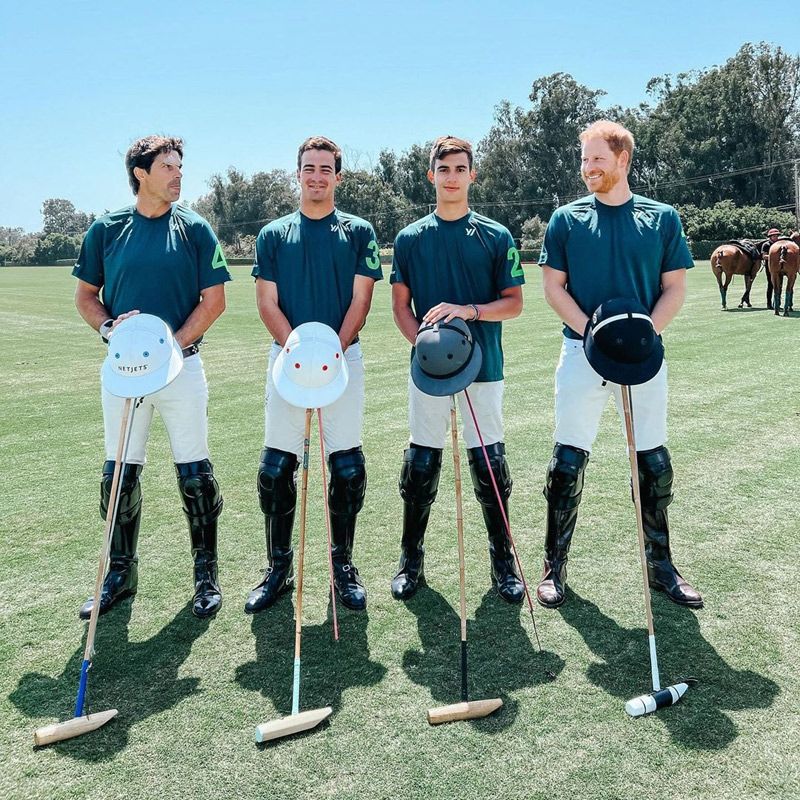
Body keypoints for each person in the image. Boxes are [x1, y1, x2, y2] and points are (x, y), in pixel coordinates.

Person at [536, 119, 703, 610]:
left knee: (653, 461)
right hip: (580, 354)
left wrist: (644, 334)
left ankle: (661, 567)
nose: (588, 168)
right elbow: (553, 288)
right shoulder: (565, 220)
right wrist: (595, 334)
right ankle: (553, 568)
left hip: (643, 357)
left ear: (623, 159)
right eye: (584, 160)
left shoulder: (662, 218)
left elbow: (674, 288)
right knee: (568, 459)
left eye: (597, 160)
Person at [73, 135, 231, 620]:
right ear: (141, 173)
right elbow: (86, 298)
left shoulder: (196, 229)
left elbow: (215, 302)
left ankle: (206, 574)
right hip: (123, 372)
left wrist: (173, 348)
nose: (178, 174)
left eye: (180, 166)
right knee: (119, 471)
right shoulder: (106, 230)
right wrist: (109, 329)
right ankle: (120, 573)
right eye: (167, 166)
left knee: (195, 471)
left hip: (183, 368)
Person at [246, 136, 382, 614]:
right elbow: (267, 302)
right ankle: (278, 567)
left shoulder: (360, 231)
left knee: (346, 467)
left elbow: (360, 302)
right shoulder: (273, 234)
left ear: (338, 176)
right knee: (276, 468)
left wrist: (331, 353)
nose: (317, 176)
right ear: (297, 173)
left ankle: (342, 565)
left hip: (344, 359)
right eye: (309, 168)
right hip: (287, 360)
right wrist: (299, 353)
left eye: (326, 168)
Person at [389, 135, 525, 603]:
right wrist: (427, 348)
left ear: (472, 175)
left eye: (460, 169)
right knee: (420, 461)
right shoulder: (409, 238)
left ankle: (503, 563)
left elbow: (514, 305)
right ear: (431, 175)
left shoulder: (496, 235)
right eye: (443, 169)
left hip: (484, 366)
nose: (451, 177)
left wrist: (468, 310)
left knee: (489, 464)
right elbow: (401, 307)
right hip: (428, 371)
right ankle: (411, 561)